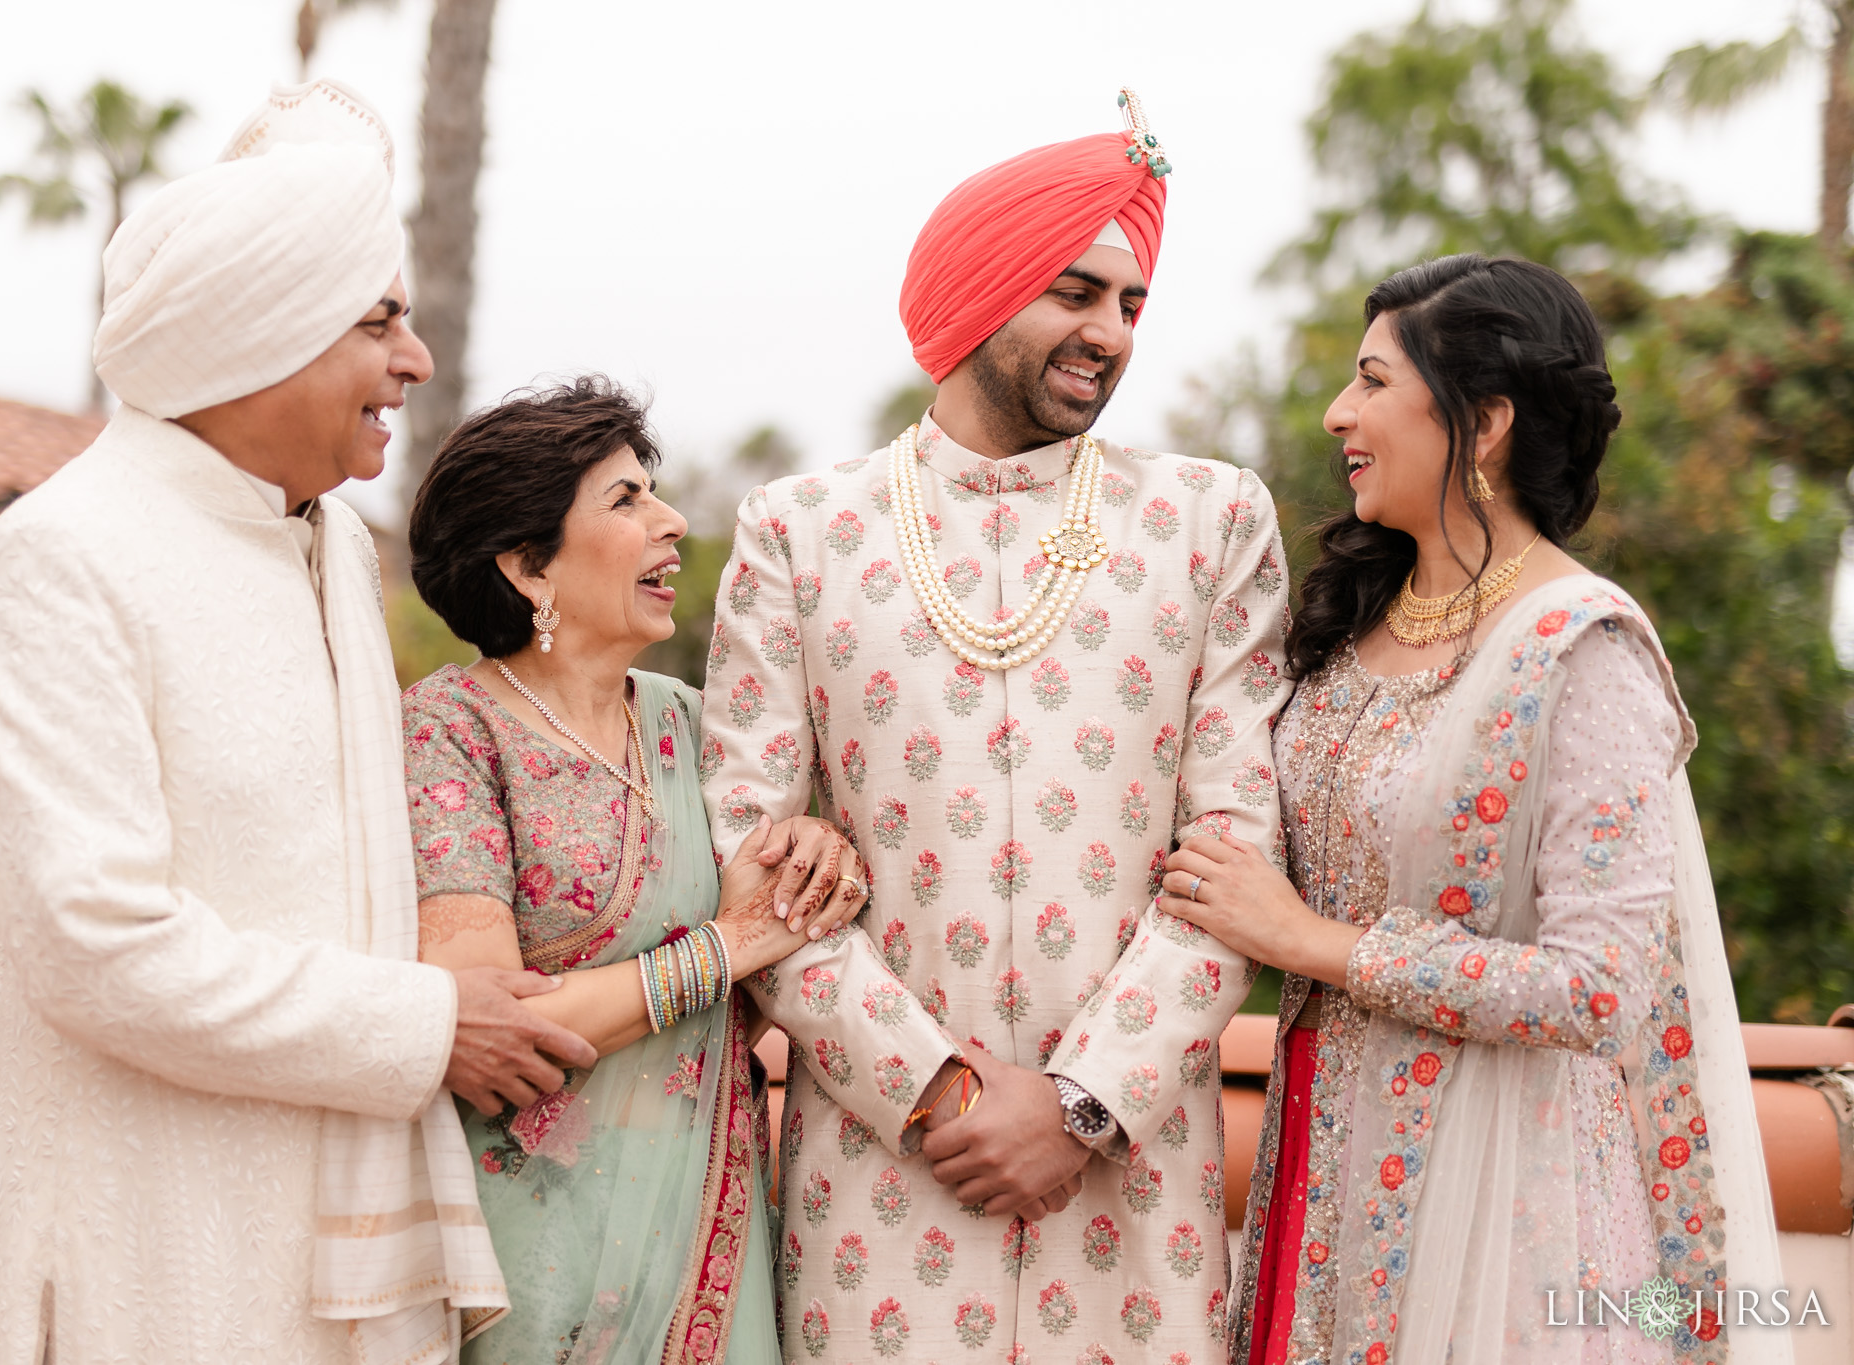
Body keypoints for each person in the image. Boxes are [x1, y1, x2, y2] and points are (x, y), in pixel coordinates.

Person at [0, 82, 598, 1365]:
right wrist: (424, 1027)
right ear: (263, 334)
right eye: (380, 322)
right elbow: (94, 946)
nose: (412, 363)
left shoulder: (334, 545)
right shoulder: (63, 555)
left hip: (349, 1268)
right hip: (159, 1262)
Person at [698, 91, 1293, 1362]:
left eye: (1130, 305)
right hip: (887, 1167)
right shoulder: (800, 533)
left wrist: (1080, 1105)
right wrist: (940, 1093)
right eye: (1074, 293)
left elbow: (1237, 855)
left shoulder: (1207, 521)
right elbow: (747, 851)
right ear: (979, 293)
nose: (1110, 334)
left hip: (1129, 1179)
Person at [1157, 255, 1789, 1365]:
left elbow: (1598, 986)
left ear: (1482, 420)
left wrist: (1314, 944)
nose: (1334, 412)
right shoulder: (1348, 627)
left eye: (1369, 382)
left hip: (1502, 1201)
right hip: (1318, 1178)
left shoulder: (1578, 648)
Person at [400, 378, 867, 1364]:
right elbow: (495, 1028)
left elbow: (794, 916)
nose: (673, 522)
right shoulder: (451, 733)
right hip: (531, 1262)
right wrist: (725, 949)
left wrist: (820, 852)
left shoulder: (699, 730)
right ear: (528, 565)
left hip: (712, 1240)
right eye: (625, 500)